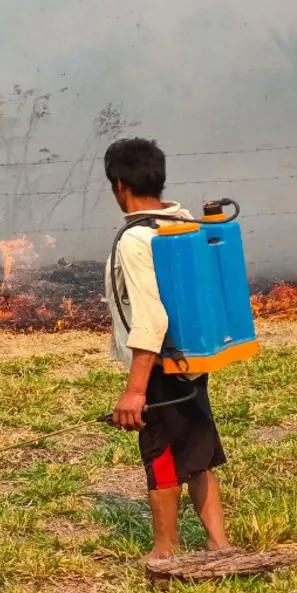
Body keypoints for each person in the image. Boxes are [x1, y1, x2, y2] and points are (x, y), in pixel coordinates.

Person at [103, 138, 231, 561]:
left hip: (158, 366)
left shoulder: (134, 239)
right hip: (194, 359)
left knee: (160, 452)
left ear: (119, 184)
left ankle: (165, 550)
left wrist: (135, 390)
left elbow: (150, 319)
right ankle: (219, 542)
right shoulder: (183, 222)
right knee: (198, 449)